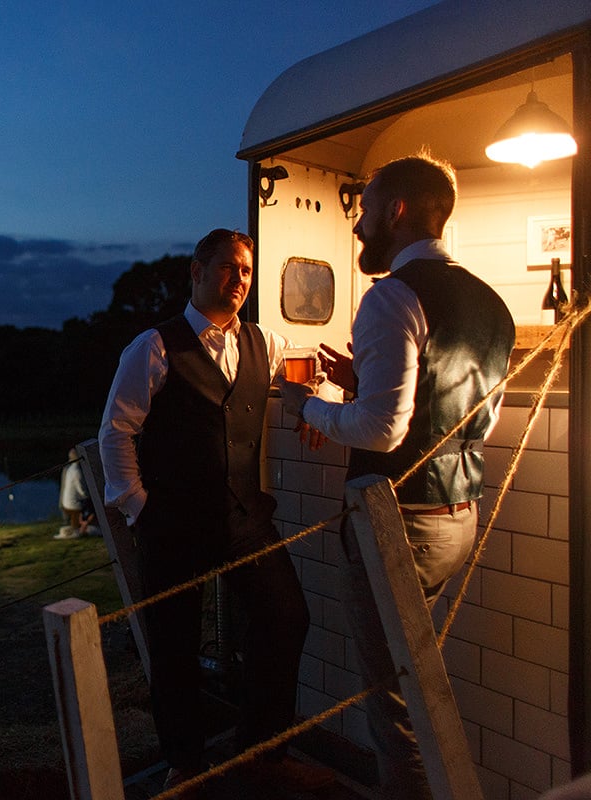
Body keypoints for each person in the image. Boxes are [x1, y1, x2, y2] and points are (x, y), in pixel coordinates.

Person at [280, 154, 515, 799]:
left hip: (400, 528)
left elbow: (384, 433)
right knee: (415, 679)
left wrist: (310, 406)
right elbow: (460, 420)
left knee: (394, 704)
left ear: (397, 211)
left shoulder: (391, 296)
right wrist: (363, 385)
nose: (356, 227)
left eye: (364, 211)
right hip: (460, 516)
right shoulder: (491, 303)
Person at [98, 228, 334, 795]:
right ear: (197, 273)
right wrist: (138, 508)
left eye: (247, 272)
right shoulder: (153, 347)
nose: (240, 280)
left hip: (244, 519)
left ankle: (261, 748)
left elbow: (308, 376)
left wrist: (316, 402)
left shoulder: (264, 342)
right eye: (229, 268)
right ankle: (184, 763)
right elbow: (115, 433)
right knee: (175, 645)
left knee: (285, 616)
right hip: (171, 524)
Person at [54, 447, 96, 540]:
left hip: (67, 502)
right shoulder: (77, 471)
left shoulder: (69, 469)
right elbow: (81, 490)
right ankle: (84, 527)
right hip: (73, 504)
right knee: (92, 504)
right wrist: (91, 496)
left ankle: (80, 527)